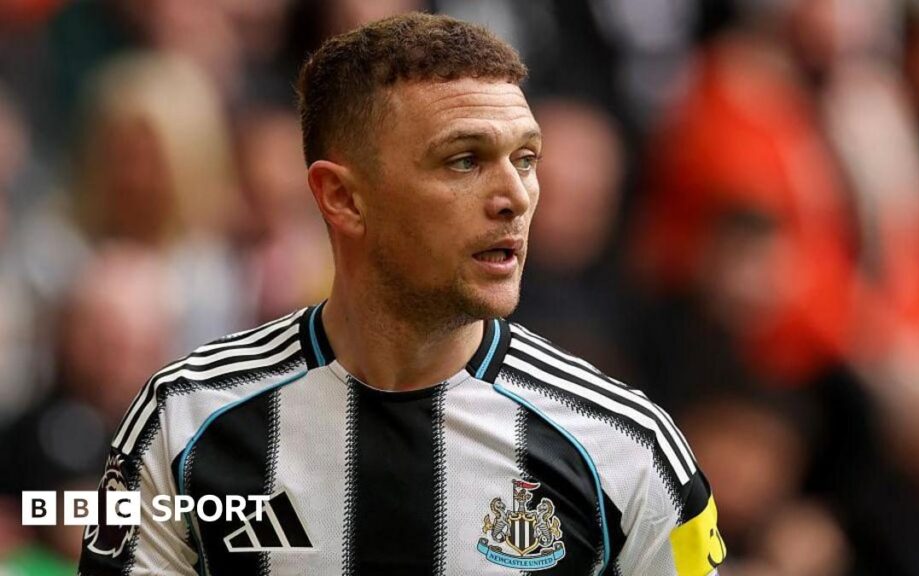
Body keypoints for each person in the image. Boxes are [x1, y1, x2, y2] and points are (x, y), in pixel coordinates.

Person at [78, 13, 724, 575]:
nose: (515, 197)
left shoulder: (627, 449)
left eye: (526, 159)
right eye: (465, 160)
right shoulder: (181, 422)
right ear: (342, 198)